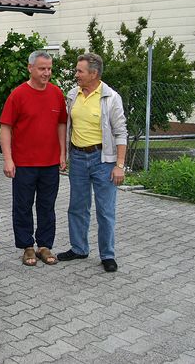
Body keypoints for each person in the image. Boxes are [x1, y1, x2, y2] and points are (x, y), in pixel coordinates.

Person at [57, 53, 127, 272]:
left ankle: (107, 255)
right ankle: (79, 248)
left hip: (103, 160)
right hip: (78, 157)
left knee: (105, 210)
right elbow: (67, 126)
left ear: (94, 73)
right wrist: (64, 155)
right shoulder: (73, 95)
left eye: (80, 71)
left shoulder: (111, 97)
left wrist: (119, 165)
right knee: (77, 206)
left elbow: (121, 132)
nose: (76, 74)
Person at [0, 50, 67, 267]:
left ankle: (44, 246)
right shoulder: (18, 95)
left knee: (47, 206)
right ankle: (27, 246)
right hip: (24, 163)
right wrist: (8, 159)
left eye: (49, 68)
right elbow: (5, 127)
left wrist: (62, 153)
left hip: (50, 163)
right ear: (30, 68)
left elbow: (61, 124)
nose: (46, 73)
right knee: (23, 206)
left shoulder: (56, 93)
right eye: (42, 69)